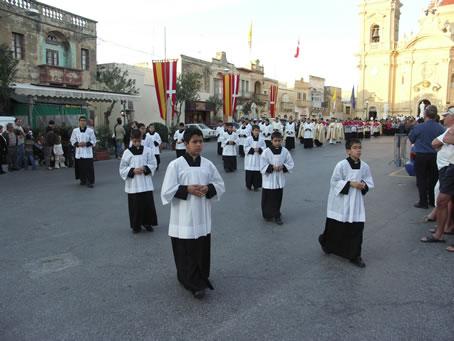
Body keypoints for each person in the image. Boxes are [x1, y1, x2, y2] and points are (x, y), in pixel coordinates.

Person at [161, 127, 225, 298]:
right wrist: (186, 189)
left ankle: (202, 275)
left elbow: (219, 185)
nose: (198, 145)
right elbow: (166, 191)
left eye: (200, 141)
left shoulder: (208, 164)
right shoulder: (176, 165)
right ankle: (189, 280)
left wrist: (208, 188)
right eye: (194, 142)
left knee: (201, 247)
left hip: (202, 214)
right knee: (186, 249)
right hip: (183, 216)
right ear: (185, 144)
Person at [318, 138, 374, 268]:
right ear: (348, 151)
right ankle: (326, 243)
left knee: (356, 227)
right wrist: (350, 183)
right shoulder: (341, 165)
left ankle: (355, 255)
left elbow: (368, 180)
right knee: (336, 225)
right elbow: (334, 182)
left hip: (356, 201)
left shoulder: (364, 166)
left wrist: (364, 185)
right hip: (341, 200)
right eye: (355, 148)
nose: (358, 150)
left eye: (360, 147)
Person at [421, 107, 454, 244]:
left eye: (446, 116)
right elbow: (439, 141)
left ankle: (442, 231)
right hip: (449, 165)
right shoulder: (448, 129)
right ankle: (442, 230)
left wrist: (447, 139)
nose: (443, 118)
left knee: (442, 200)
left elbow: (443, 140)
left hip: (450, 166)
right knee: (444, 200)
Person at [120, 129, 158, 234]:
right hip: (134, 184)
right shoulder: (127, 152)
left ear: (141, 139)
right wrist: (133, 170)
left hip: (145, 182)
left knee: (147, 204)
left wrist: (145, 168)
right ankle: (136, 226)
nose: (137, 143)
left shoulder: (147, 150)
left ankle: (148, 223)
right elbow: (122, 168)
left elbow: (153, 163)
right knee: (135, 206)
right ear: (131, 140)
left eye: (139, 141)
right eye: (135, 141)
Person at [408, 105, 445, 209]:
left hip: (421, 156)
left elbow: (411, 138)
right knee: (433, 179)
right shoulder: (440, 128)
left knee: (421, 179)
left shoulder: (419, 127)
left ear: (425, 115)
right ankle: (433, 201)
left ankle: (423, 201)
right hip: (435, 156)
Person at [260, 131, 294, 225]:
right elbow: (262, 165)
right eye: (275, 141)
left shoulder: (285, 151)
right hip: (269, 178)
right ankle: (267, 214)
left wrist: (283, 166)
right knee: (268, 197)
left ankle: (277, 214)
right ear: (271, 141)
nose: (277, 143)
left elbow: (290, 163)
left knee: (277, 197)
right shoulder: (266, 152)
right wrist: (272, 167)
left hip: (279, 178)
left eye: (279, 140)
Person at [71, 116, 97, 188]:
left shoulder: (90, 131)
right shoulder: (75, 131)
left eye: (84, 121)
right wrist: (78, 144)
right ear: (79, 122)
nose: (83, 122)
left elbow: (93, 141)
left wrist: (85, 144)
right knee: (81, 167)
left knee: (88, 167)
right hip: (79, 152)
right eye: (81, 120)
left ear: (86, 122)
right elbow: (73, 140)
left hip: (87, 152)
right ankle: (82, 180)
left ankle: (90, 181)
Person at [244, 125, 266, 191]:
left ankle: (256, 186)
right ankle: (248, 185)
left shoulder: (261, 139)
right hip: (250, 158)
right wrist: (252, 149)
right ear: (252, 131)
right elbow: (245, 147)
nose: (257, 132)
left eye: (258, 131)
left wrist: (259, 149)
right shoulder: (248, 139)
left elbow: (264, 147)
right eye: (255, 130)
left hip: (258, 158)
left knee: (257, 173)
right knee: (249, 172)